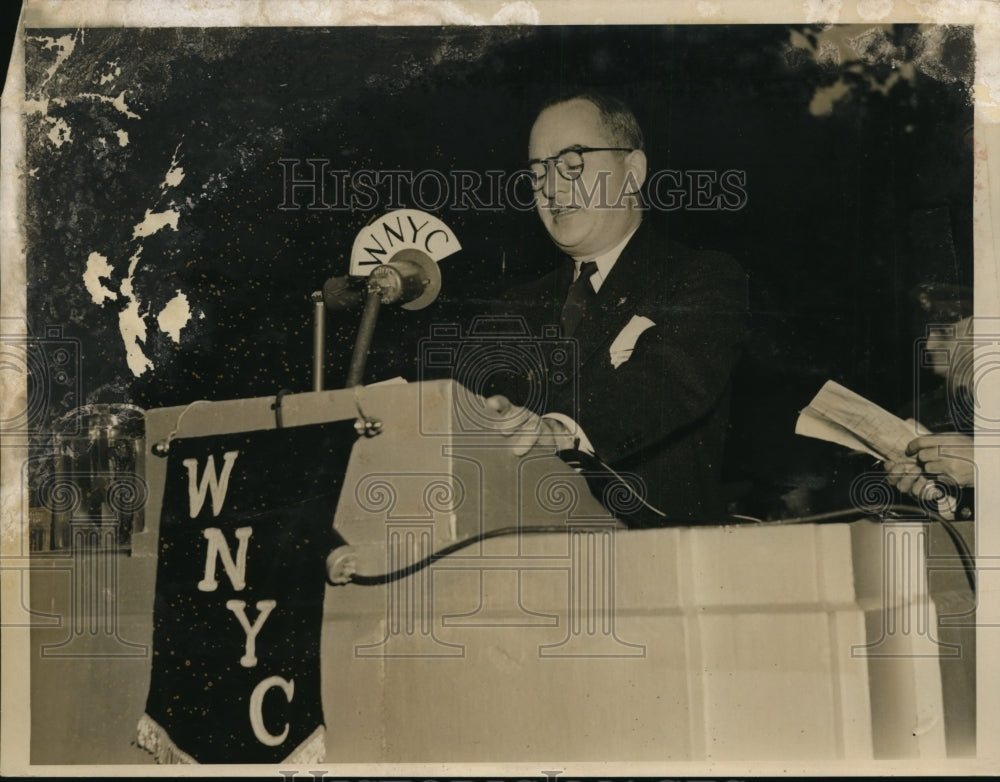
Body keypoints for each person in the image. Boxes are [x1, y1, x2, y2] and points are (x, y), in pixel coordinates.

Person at [483, 92, 748, 526]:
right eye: (537, 172)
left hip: (656, 562)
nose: (550, 187)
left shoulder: (701, 276)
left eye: (572, 162)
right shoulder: (511, 307)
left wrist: (560, 428)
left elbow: (669, 379)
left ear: (633, 172)